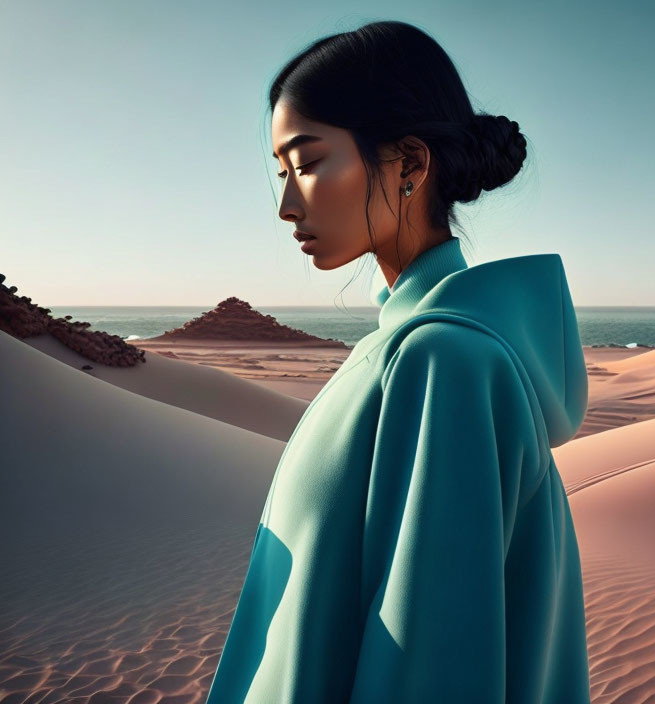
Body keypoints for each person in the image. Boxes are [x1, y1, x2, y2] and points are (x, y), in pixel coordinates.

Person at [206, 20, 591, 704]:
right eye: (281, 172)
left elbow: (432, 662)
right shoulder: (424, 348)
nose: (287, 204)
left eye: (309, 161)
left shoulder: (440, 361)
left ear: (410, 163)